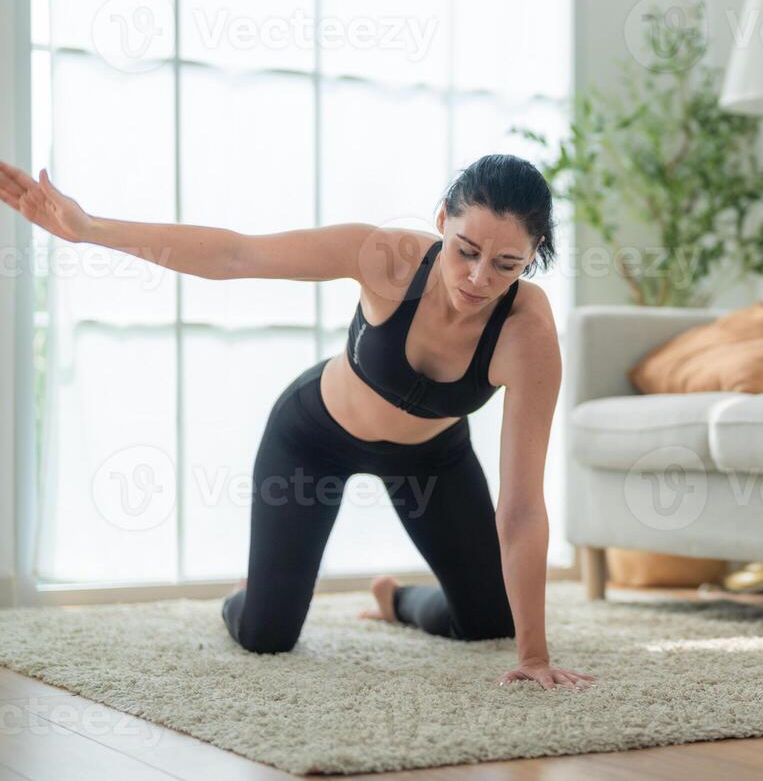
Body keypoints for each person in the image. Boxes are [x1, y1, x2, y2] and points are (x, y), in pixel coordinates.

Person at [0, 155, 596, 692]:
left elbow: (520, 509)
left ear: (533, 256)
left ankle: (396, 601)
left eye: (506, 264)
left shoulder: (527, 335)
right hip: (315, 440)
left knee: (493, 622)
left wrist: (535, 655)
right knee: (267, 635)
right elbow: (239, 254)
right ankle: (250, 593)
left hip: (433, 459)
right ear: (442, 219)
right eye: (466, 250)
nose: (478, 278)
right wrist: (91, 230)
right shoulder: (386, 258)